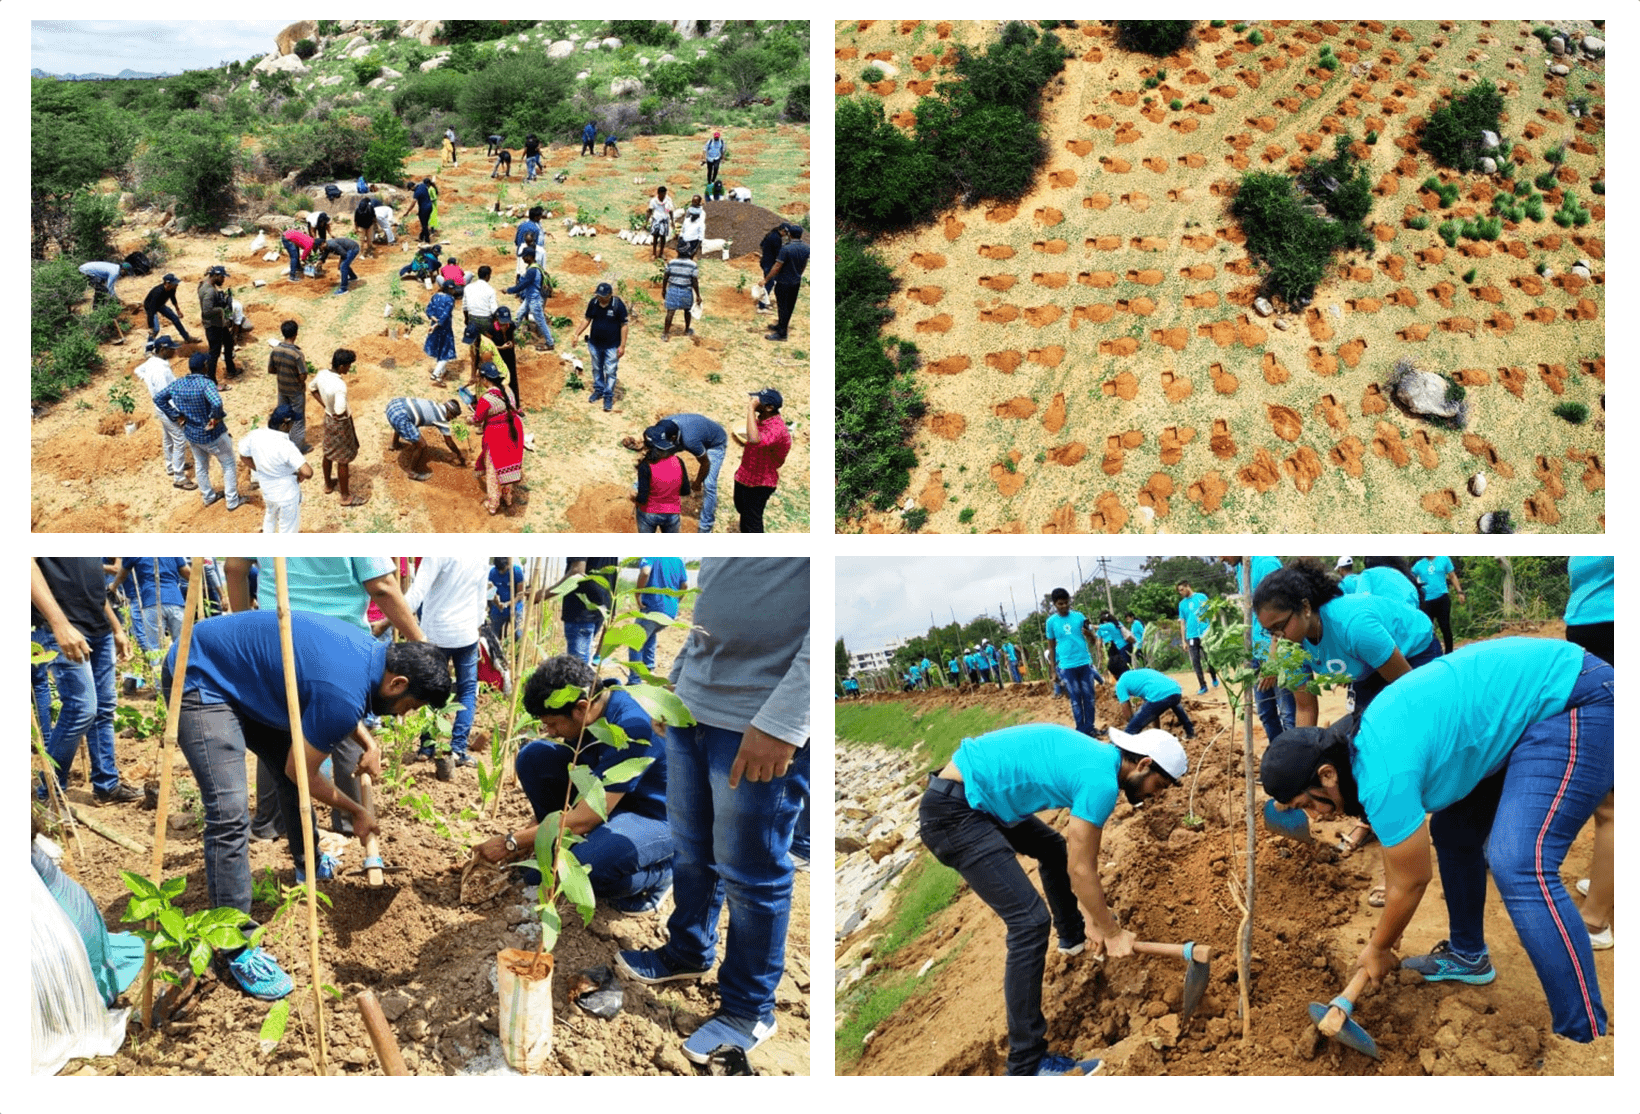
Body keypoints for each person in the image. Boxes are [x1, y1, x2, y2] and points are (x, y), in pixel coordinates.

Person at [1260, 637, 1612, 1043]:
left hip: (1574, 698)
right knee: (1454, 831)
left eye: (1310, 804)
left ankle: (1582, 1032)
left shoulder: (1380, 772)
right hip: (1517, 713)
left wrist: (1378, 948)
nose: (1317, 817)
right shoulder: (1353, 750)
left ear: (1326, 775)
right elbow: (1398, 862)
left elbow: (1411, 880)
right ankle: (1469, 955)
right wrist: (1383, 938)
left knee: (1518, 862)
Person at [162, 610, 451, 999]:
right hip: (199, 675)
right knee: (228, 810)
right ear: (397, 683)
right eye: (410, 706)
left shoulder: (368, 652)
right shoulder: (345, 693)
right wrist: (356, 810)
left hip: (246, 676)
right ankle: (234, 946)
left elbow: (329, 696)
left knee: (285, 766)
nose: (405, 715)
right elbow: (308, 766)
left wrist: (369, 743)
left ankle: (307, 862)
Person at [615, 558, 808, 1062]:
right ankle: (688, 951)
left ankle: (748, 1008)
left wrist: (786, 723)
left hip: (757, 722)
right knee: (691, 848)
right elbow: (710, 605)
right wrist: (676, 680)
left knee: (751, 869)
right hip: (692, 706)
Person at [918, 722, 1185, 1074]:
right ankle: (1026, 1065)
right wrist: (1112, 932)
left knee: (1054, 850)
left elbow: (1079, 860)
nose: (1156, 794)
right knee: (1029, 923)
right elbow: (1082, 870)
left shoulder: (1098, 758)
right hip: (956, 814)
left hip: (976, 800)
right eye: (1158, 785)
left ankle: (1073, 938)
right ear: (1144, 764)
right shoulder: (1101, 782)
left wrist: (1095, 919)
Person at [222, 557, 427, 841]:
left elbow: (234, 568)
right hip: (341, 648)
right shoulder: (353, 531)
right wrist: (424, 647)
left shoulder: (272, 526)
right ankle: (351, 823)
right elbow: (382, 585)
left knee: (277, 735)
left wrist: (247, 625)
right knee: (341, 734)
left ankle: (270, 826)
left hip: (276, 639)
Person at [473, 655, 673, 910]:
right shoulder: (594, 709)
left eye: (553, 724)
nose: (550, 732)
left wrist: (511, 842)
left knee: (585, 870)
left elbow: (586, 817)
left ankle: (662, 874)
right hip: (608, 800)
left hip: (652, 815)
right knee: (533, 758)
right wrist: (531, 837)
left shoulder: (631, 727)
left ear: (581, 707)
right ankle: (559, 844)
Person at [1253, 558, 1443, 725]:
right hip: (1369, 664)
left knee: (1412, 722)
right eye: (1270, 632)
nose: (1278, 637)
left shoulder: (1352, 625)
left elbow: (1408, 688)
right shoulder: (1288, 647)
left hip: (1412, 654)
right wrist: (1303, 751)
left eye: (1280, 625)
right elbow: (1305, 709)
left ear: (1305, 607)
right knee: (1363, 733)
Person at [32, 558, 140, 803]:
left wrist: (117, 629)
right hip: (63, 625)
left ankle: (107, 786)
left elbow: (93, 588)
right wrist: (59, 624)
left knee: (103, 710)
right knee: (82, 709)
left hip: (99, 628)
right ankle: (50, 791)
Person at [1563, 556, 1613, 950]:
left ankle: (1596, 920)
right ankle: (1604, 880)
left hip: (1611, 633)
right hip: (1593, 634)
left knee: (1612, 803)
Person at [400, 557, 488, 767]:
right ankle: (457, 750)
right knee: (467, 691)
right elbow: (480, 598)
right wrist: (475, 626)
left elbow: (416, 593)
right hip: (466, 634)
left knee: (431, 688)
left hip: (436, 633)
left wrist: (391, 618)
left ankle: (426, 748)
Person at [1221, 556, 1294, 744]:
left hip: (1277, 652)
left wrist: (1273, 659)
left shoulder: (1266, 564)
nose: (1221, 558)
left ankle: (1296, 759)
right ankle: (1279, 754)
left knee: (1287, 713)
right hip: (1255, 652)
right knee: (1265, 712)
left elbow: (1282, 612)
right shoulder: (1241, 568)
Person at [154, 353, 242, 510]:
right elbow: (216, 402)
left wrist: (176, 415)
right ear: (205, 366)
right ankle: (232, 501)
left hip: (192, 434)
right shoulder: (206, 384)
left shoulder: (178, 384)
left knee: (201, 466)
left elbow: (159, 398)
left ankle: (208, 497)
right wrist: (215, 419)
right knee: (228, 464)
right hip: (212, 434)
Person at [236, 407, 311, 533]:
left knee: (270, 516)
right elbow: (308, 472)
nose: (292, 426)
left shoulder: (256, 435)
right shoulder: (285, 445)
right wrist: (300, 476)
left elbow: (243, 455)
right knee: (287, 528)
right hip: (287, 494)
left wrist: (258, 468)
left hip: (267, 490)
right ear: (283, 425)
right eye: (291, 423)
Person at [132, 336, 193, 489]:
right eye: (170, 349)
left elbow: (138, 370)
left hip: (160, 409)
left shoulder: (152, 362)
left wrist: (147, 380)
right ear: (162, 350)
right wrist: (177, 413)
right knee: (179, 439)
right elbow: (164, 396)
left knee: (168, 438)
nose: (174, 351)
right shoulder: (160, 371)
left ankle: (171, 466)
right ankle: (179, 477)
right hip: (167, 409)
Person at [730, 388, 791, 533]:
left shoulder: (777, 428)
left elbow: (754, 439)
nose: (754, 402)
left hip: (759, 483)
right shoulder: (763, 419)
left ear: (769, 408)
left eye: (758, 402)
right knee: (741, 508)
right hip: (745, 475)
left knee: (751, 525)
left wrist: (751, 409)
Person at [312, 347, 366, 507]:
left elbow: (312, 389)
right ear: (342, 366)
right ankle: (345, 496)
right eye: (349, 365)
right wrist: (339, 414)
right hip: (340, 423)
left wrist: (325, 406)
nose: (350, 368)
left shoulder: (322, 374)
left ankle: (328, 484)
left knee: (328, 452)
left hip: (329, 418)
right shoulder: (340, 386)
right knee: (343, 459)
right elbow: (340, 409)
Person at [1045, 588, 1102, 737]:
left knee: (1089, 698)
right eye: (1060, 604)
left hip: (1084, 663)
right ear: (1054, 604)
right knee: (1076, 700)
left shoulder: (1079, 617)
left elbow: (1093, 639)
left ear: (1070, 601)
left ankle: (1090, 728)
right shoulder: (1051, 622)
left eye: (1066, 603)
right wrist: (1052, 670)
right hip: (1066, 666)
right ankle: (1081, 731)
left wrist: (1090, 634)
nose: (1064, 606)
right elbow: (1051, 646)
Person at [471, 362, 525, 516]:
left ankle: (493, 504)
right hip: (513, 430)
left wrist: (470, 418)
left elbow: (477, 419)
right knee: (506, 467)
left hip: (497, 435)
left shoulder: (486, 399)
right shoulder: (508, 390)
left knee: (494, 470)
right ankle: (508, 498)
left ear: (484, 379)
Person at [629, 556, 687, 682]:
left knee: (634, 641)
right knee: (650, 634)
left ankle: (634, 680)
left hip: (653, 607)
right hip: (670, 611)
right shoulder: (677, 560)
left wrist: (637, 593)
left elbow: (645, 572)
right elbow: (684, 585)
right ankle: (649, 669)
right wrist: (676, 601)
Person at [573, 282, 628, 412]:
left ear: (610, 295)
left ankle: (608, 395)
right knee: (597, 368)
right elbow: (587, 319)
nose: (600, 298)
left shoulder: (618, 305)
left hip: (612, 346)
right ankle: (598, 390)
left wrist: (622, 346)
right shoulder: (594, 303)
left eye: (602, 296)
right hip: (595, 344)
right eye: (598, 295)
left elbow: (624, 326)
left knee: (610, 371)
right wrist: (577, 334)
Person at [551, 558, 618, 663]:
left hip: (581, 607)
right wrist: (612, 607)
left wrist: (543, 594)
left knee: (578, 668)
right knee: (582, 663)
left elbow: (577, 571)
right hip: (601, 605)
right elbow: (613, 573)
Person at [386, 396, 465, 481]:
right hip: (399, 416)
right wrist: (459, 454)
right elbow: (449, 442)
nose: (452, 419)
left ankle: (395, 444)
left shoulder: (434, 404)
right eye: (453, 417)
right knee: (422, 445)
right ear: (449, 413)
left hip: (393, 405)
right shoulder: (441, 418)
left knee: (409, 419)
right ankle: (412, 472)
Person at [633, 422, 690, 532]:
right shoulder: (678, 462)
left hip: (648, 513)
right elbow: (685, 490)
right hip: (672, 513)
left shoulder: (646, 466)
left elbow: (642, 498)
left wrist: (634, 498)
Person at [267, 320, 310, 454]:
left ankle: (280, 444)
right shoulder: (297, 354)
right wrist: (299, 381)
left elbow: (271, 370)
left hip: (282, 389)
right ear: (295, 334)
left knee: (282, 417)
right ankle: (298, 448)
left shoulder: (276, 350)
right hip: (295, 391)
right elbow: (303, 375)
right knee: (297, 419)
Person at [1113, 668, 1195, 737]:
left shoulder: (1120, 683)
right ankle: (1190, 731)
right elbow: (1155, 710)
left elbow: (1127, 712)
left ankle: (1123, 751)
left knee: (1131, 729)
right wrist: (1157, 732)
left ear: (1113, 675)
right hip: (1176, 690)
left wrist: (1134, 723)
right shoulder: (1138, 674)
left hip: (1159, 697)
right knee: (1173, 703)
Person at [762, 224, 808, 342]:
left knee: (783, 307)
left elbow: (777, 266)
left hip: (783, 282)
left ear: (789, 235)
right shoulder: (806, 248)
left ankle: (782, 334)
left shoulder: (786, 249)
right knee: (789, 306)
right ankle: (781, 326)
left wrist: (766, 279)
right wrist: (798, 274)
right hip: (795, 282)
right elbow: (804, 265)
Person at [1412, 556, 1465, 655]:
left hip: (1442, 598)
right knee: (1428, 630)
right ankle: (1433, 653)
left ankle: (1449, 653)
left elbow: (1452, 576)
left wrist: (1460, 592)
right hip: (1426, 602)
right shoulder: (1419, 565)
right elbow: (1409, 577)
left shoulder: (1444, 559)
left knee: (1445, 627)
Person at [505, 249, 554, 351]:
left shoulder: (532, 270)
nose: (522, 258)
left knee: (540, 321)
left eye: (524, 256)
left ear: (529, 256)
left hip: (534, 300)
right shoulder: (535, 267)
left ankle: (550, 343)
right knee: (519, 314)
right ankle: (510, 336)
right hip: (530, 298)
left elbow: (522, 286)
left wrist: (508, 290)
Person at [1175, 580, 1219, 694]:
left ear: (1188, 586)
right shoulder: (1182, 604)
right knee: (1195, 661)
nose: (1181, 592)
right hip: (1191, 635)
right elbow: (1182, 623)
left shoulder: (1201, 597)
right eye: (1179, 591)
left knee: (1209, 659)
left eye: (1182, 589)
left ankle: (1214, 677)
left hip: (1205, 634)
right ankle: (1202, 685)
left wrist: (1213, 628)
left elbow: (1211, 612)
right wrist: (1184, 640)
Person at [197, 265, 239, 384]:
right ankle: (211, 380)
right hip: (213, 326)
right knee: (214, 353)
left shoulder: (205, 284)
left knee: (228, 343)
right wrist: (221, 309)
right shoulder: (209, 291)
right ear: (215, 276)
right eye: (222, 277)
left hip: (219, 324)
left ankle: (231, 369)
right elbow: (207, 311)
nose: (223, 280)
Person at [661, 240, 701, 341]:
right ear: (688, 252)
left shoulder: (671, 263)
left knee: (670, 312)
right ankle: (687, 330)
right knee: (687, 311)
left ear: (677, 251)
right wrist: (698, 295)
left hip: (672, 289)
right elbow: (694, 281)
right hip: (686, 290)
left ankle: (665, 333)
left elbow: (665, 277)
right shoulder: (692, 265)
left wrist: (663, 290)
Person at [142, 274, 195, 343]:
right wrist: (151, 325)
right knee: (156, 329)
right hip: (150, 306)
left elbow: (173, 298)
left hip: (160, 304)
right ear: (167, 284)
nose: (177, 285)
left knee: (175, 319)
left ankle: (187, 338)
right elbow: (151, 310)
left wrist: (178, 310)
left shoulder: (172, 289)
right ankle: (149, 345)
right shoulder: (157, 292)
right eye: (174, 283)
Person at [424, 280, 459, 383]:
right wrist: (437, 324)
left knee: (439, 348)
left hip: (434, 327)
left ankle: (441, 372)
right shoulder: (450, 299)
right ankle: (435, 373)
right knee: (446, 350)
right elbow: (446, 314)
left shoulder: (435, 296)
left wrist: (433, 320)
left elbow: (428, 310)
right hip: (444, 328)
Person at [462, 264, 498, 357]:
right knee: (488, 342)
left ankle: (476, 358)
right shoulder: (490, 290)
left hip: (472, 318)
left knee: (475, 342)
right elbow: (494, 309)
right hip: (486, 319)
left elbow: (465, 307)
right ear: (487, 276)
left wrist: (466, 319)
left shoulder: (468, 287)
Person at [488, 557, 525, 640]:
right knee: (493, 635)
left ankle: (517, 651)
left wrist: (508, 603)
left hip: (515, 606)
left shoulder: (516, 571)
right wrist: (497, 602)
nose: (501, 572)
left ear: (508, 565)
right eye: (499, 569)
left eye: (503, 569)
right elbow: (490, 594)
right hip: (498, 608)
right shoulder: (492, 572)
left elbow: (520, 594)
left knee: (519, 634)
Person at [490, 308, 521, 402]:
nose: (504, 324)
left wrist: (512, 343)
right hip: (498, 357)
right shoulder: (491, 329)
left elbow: (513, 338)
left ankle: (516, 404)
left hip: (510, 355)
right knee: (500, 380)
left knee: (513, 379)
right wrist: (501, 348)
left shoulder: (511, 325)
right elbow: (489, 347)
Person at [754, 222, 784, 312]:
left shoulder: (770, 234)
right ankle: (761, 306)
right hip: (770, 264)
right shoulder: (777, 239)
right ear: (782, 231)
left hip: (764, 261)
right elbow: (778, 254)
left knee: (767, 282)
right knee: (769, 283)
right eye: (785, 233)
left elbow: (761, 245)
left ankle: (762, 302)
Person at [1096, 611, 1131, 681]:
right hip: (1110, 645)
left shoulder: (1115, 623)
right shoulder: (1101, 627)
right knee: (1116, 664)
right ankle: (1120, 678)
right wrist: (1100, 657)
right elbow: (1099, 642)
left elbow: (1124, 632)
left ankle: (1125, 678)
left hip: (1117, 644)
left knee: (1122, 662)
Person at [648, 186, 675, 260]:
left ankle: (661, 253)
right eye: (662, 194)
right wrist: (646, 221)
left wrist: (672, 221)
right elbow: (649, 211)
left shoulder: (668, 200)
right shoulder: (653, 201)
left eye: (665, 194)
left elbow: (670, 211)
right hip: (656, 220)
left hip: (664, 220)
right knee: (655, 237)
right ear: (659, 193)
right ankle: (654, 253)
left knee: (663, 237)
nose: (663, 195)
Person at [404, 177, 434, 243]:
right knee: (425, 223)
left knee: (424, 225)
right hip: (430, 207)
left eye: (410, 189)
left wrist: (407, 212)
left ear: (412, 187)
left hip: (424, 208)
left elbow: (413, 203)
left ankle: (427, 240)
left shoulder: (416, 192)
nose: (411, 191)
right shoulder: (422, 185)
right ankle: (421, 237)